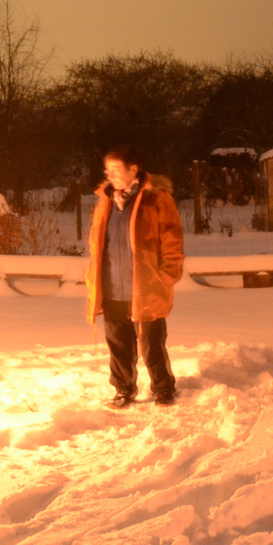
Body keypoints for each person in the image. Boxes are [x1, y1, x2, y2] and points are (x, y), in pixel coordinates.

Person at [85, 144, 186, 407]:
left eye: (116, 169)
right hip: (112, 287)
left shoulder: (156, 198)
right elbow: (97, 243)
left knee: (152, 345)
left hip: (146, 287)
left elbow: (172, 240)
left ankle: (163, 389)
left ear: (134, 169)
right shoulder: (105, 200)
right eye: (107, 170)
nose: (110, 175)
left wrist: (166, 276)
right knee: (118, 345)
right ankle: (123, 389)